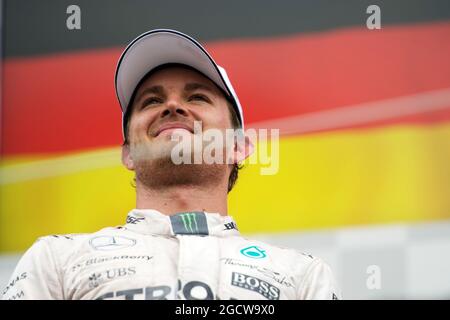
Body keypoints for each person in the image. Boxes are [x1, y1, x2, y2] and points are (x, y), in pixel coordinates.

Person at [2, 29, 341, 300]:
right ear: (129, 154)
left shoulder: (302, 277)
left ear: (238, 146)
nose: (173, 106)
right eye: (152, 100)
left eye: (197, 97)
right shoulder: (56, 259)